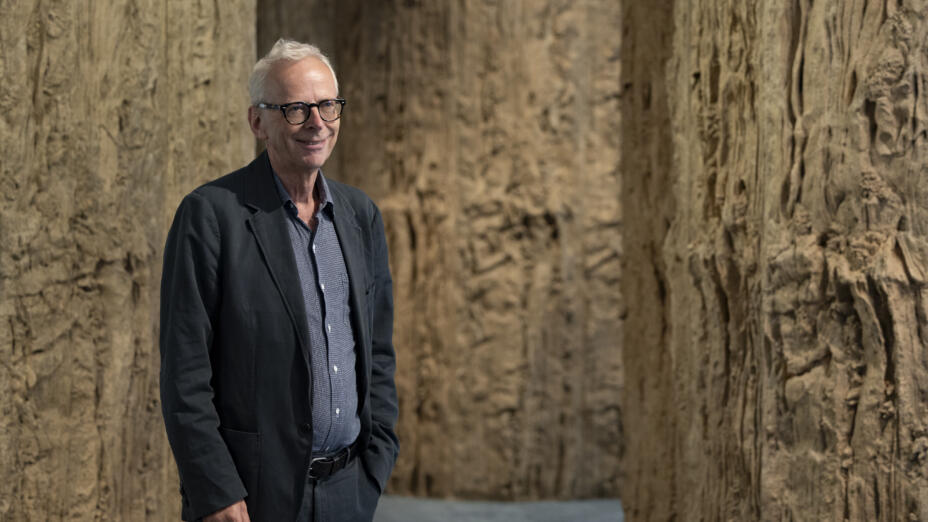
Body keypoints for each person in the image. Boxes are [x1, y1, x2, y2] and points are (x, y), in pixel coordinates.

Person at [159, 38, 399, 522]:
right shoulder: (210, 217)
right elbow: (185, 375)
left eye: (328, 105)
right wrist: (216, 491)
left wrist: (374, 467)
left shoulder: (360, 216)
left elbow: (377, 355)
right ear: (257, 122)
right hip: (251, 499)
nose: (317, 123)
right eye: (295, 108)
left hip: (347, 493)